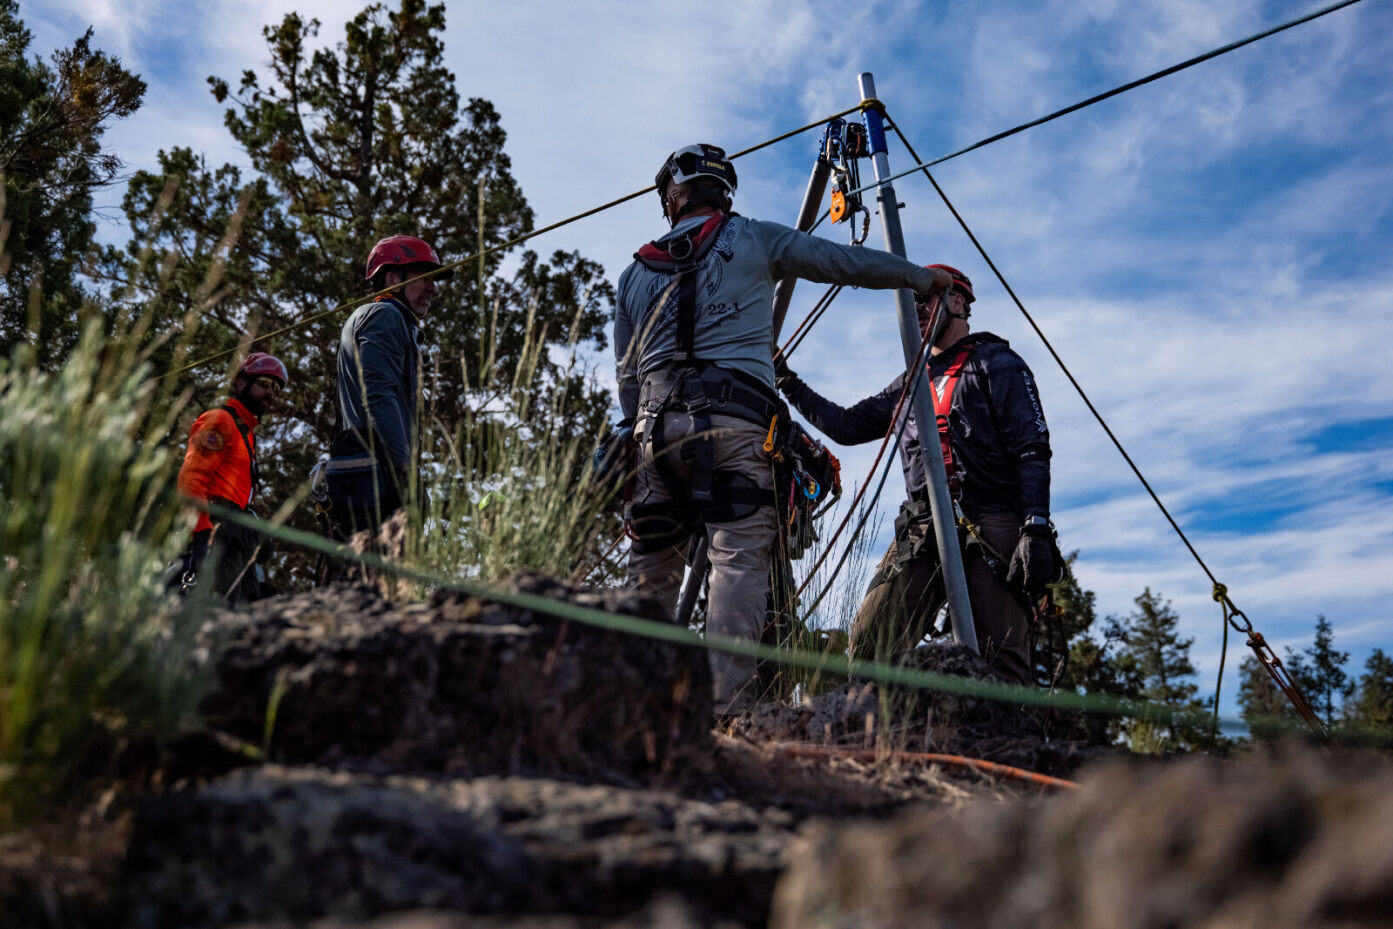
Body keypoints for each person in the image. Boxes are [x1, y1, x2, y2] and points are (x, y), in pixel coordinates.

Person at [613, 143, 954, 715]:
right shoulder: (753, 238)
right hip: (734, 426)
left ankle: (630, 705)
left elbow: (627, 379)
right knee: (738, 559)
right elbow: (840, 263)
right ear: (723, 190)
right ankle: (725, 710)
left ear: (672, 198)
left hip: (651, 429)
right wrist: (919, 279)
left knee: (651, 567)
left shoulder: (633, 273)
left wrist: (639, 431)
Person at [775, 265, 1055, 683]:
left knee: (1002, 655)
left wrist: (1035, 527)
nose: (915, 309)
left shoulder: (998, 363)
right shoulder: (909, 383)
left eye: (924, 298)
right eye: (908, 303)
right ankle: (878, 736)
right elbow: (847, 427)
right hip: (922, 527)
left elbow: (1032, 448)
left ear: (958, 301)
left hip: (990, 520)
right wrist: (786, 380)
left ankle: (1010, 745)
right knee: (871, 640)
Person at [326, 235, 452, 536]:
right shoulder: (385, 315)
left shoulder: (382, 318)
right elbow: (379, 397)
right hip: (380, 478)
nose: (433, 288)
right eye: (425, 277)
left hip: (370, 476)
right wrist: (406, 471)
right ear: (392, 278)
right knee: (389, 576)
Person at [175, 351, 288, 602]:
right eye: (264, 384)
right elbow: (191, 481)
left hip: (235, 544)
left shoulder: (246, 434)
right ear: (240, 383)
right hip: (215, 537)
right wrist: (202, 538)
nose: (271, 393)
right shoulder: (220, 420)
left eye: (277, 389)